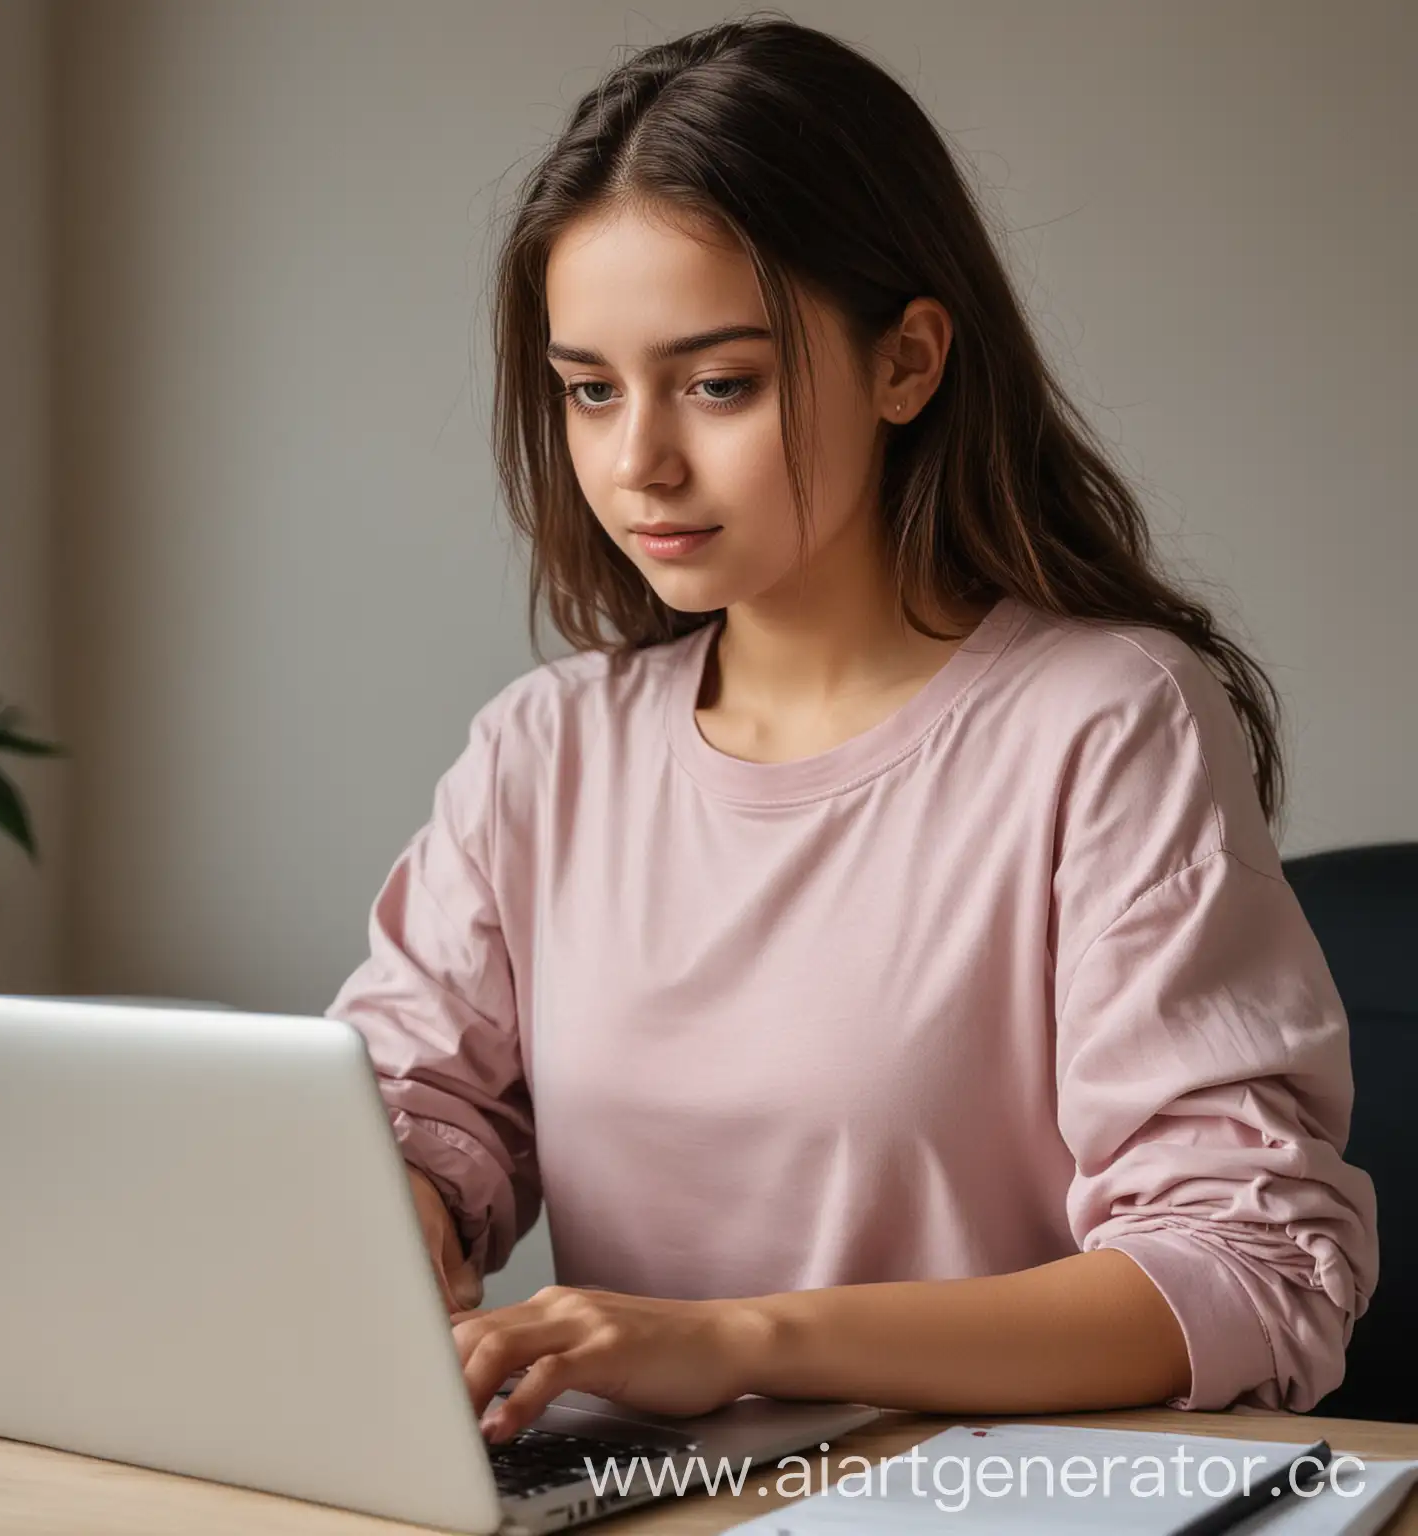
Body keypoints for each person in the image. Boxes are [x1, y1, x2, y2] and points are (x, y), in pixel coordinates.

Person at [325, 15, 1377, 1445]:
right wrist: (402, 1201)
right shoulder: (543, 751)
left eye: (718, 383)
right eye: (589, 389)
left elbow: (1246, 1271)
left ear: (908, 362)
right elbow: (406, 1100)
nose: (637, 462)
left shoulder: (1106, 726)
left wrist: (739, 1342)